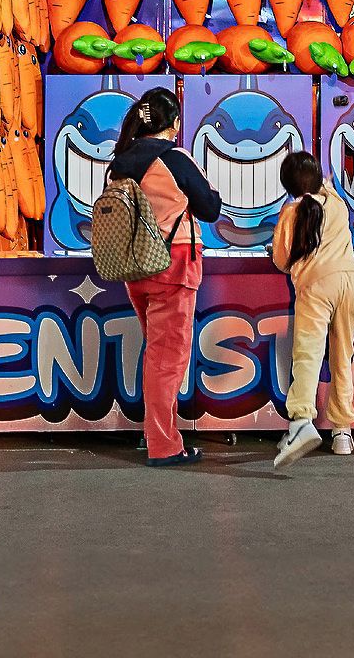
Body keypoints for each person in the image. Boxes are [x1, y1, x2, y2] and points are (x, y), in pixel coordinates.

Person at [106, 88, 221, 468]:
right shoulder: (174, 158)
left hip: (134, 268)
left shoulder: (121, 162)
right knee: (167, 360)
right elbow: (210, 207)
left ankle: (157, 433)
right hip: (173, 266)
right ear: (174, 122)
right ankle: (163, 444)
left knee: (157, 355)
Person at [270, 150, 354, 469]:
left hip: (315, 288)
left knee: (308, 355)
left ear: (287, 185)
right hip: (350, 283)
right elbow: (326, 187)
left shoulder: (291, 212)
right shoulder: (336, 204)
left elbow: (281, 260)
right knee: (342, 358)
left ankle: (301, 422)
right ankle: (342, 432)